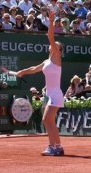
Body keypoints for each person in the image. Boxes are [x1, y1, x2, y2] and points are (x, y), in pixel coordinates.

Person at [17, 10, 64, 156]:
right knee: (49, 121)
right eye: (52, 45)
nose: (52, 46)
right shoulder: (47, 62)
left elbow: (50, 37)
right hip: (50, 94)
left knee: (46, 119)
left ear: (58, 50)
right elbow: (34, 69)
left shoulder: (56, 57)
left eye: (55, 45)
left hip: (55, 94)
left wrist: (50, 22)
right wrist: (23, 71)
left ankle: (52, 146)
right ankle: (58, 147)